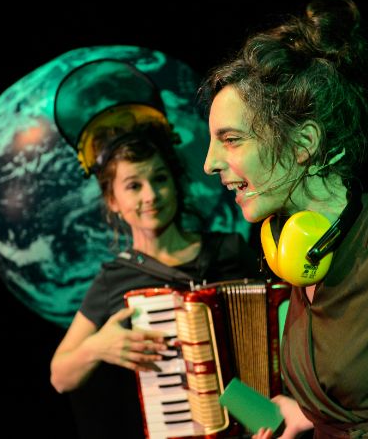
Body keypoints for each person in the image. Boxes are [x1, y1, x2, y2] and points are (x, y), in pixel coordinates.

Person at [201, 0, 368, 438]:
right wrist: (301, 414)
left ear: (303, 144)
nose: (209, 163)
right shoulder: (298, 251)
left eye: (231, 139)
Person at [50, 111, 259, 438]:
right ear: (112, 200)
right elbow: (60, 377)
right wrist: (97, 347)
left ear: (175, 183)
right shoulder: (114, 279)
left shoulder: (229, 250)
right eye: (134, 185)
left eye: (160, 179)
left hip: (255, 420)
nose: (150, 195)